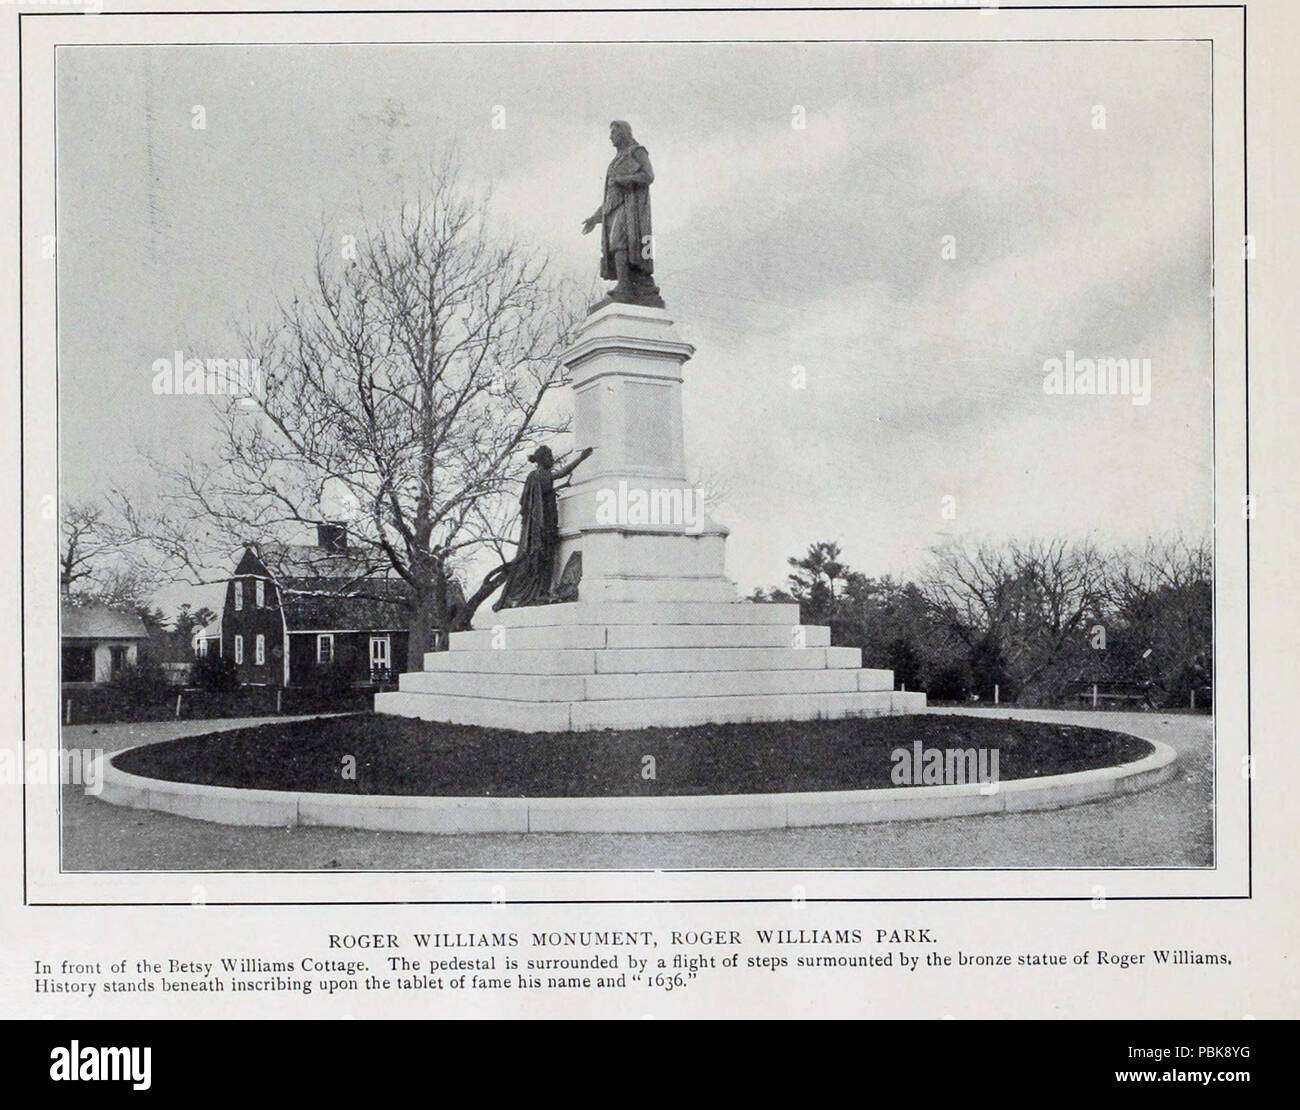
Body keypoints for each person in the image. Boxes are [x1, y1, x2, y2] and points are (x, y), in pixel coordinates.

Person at [494, 445, 594, 609]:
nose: (552, 460)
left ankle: (541, 592)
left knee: (545, 559)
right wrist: (581, 458)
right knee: (542, 560)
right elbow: (561, 473)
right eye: (550, 457)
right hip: (543, 525)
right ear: (542, 459)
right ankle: (539, 592)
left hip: (546, 523)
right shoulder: (539, 475)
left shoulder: (536, 476)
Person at [581, 120, 660, 302]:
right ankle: (625, 282)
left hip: (630, 208)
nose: (610, 137)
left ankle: (625, 285)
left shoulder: (637, 152)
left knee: (619, 242)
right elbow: (610, 196)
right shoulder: (615, 160)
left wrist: (624, 179)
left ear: (624, 133)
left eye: (614, 133)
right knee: (613, 243)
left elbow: (649, 175)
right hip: (614, 208)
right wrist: (595, 218)